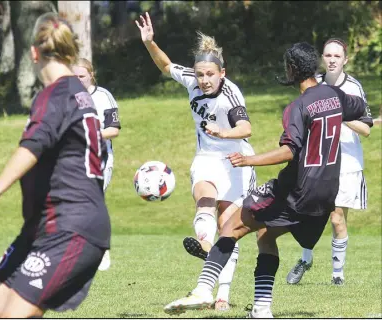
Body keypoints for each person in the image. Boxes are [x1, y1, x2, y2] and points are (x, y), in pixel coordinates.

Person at [162, 42, 367, 318]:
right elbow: (360, 109)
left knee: (231, 227)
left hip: (295, 192)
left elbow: (288, 151)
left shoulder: (298, 107)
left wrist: (248, 159)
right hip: (326, 198)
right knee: (265, 235)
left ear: (292, 69)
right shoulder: (335, 95)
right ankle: (260, 309)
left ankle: (203, 288)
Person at [0, 12, 110, 318]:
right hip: (42, 228)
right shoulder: (79, 93)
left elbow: (33, 145)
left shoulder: (55, 95)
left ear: (33, 53)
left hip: (69, 228)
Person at [136, 12, 256, 311]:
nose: (203, 80)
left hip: (236, 159)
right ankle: (205, 247)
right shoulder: (190, 79)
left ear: (222, 73)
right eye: (200, 74)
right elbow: (165, 65)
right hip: (206, 158)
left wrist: (222, 131)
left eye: (210, 75)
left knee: (228, 226)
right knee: (204, 199)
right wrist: (150, 42)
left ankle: (222, 295)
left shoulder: (231, 94)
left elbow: (246, 129)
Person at [286, 38, 373, 286]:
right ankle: (306, 258)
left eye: (337, 56)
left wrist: (337, 111)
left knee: (336, 218)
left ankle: (337, 275)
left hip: (346, 163)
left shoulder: (353, 87)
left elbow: (366, 129)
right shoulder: (316, 84)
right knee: (308, 213)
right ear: (322, 59)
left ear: (345, 59)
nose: (332, 60)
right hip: (319, 160)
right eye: (328, 56)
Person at [73, 58, 121, 272]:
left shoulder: (103, 97)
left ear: (91, 75)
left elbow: (114, 130)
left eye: (81, 76)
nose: (77, 80)